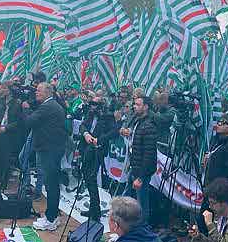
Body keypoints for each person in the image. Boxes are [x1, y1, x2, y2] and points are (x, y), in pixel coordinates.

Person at [22, 82, 68, 231]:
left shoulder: (47, 107)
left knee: (51, 184)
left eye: (39, 91)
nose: (36, 93)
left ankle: (51, 219)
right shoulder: (52, 105)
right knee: (51, 184)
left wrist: (26, 109)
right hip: (52, 149)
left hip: (49, 150)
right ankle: (52, 215)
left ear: (48, 92)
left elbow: (28, 122)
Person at [75, 91, 115, 222]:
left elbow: (113, 132)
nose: (92, 106)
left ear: (101, 105)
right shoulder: (90, 113)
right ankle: (93, 208)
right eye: (91, 103)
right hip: (86, 148)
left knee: (91, 178)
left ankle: (96, 212)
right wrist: (86, 133)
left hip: (97, 151)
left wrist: (100, 139)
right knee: (87, 177)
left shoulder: (108, 116)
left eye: (95, 104)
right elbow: (82, 125)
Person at [200, 113, 228, 234]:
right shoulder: (217, 141)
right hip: (211, 190)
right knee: (203, 221)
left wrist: (221, 196)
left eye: (224, 123)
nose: (219, 124)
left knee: (214, 226)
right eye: (219, 122)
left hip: (220, 194)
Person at [124, 94, 157, 224]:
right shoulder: (138, 121)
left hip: (141, 172)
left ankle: (143, 230)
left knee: (142, 204)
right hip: (135, 167)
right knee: (127, 198)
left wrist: (141, 178)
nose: (134, 106)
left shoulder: (149, 125)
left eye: (138, 104)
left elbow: (148, 155)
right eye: (134, 104)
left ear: (146, 107)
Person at [0, 82, 25, 191]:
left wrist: (6, 128)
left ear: (9, 90)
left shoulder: (17, 103)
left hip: (8, 135)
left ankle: (0, 182)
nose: (0, 90)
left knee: (4, 159)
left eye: (3, 88)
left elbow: (19, 122)